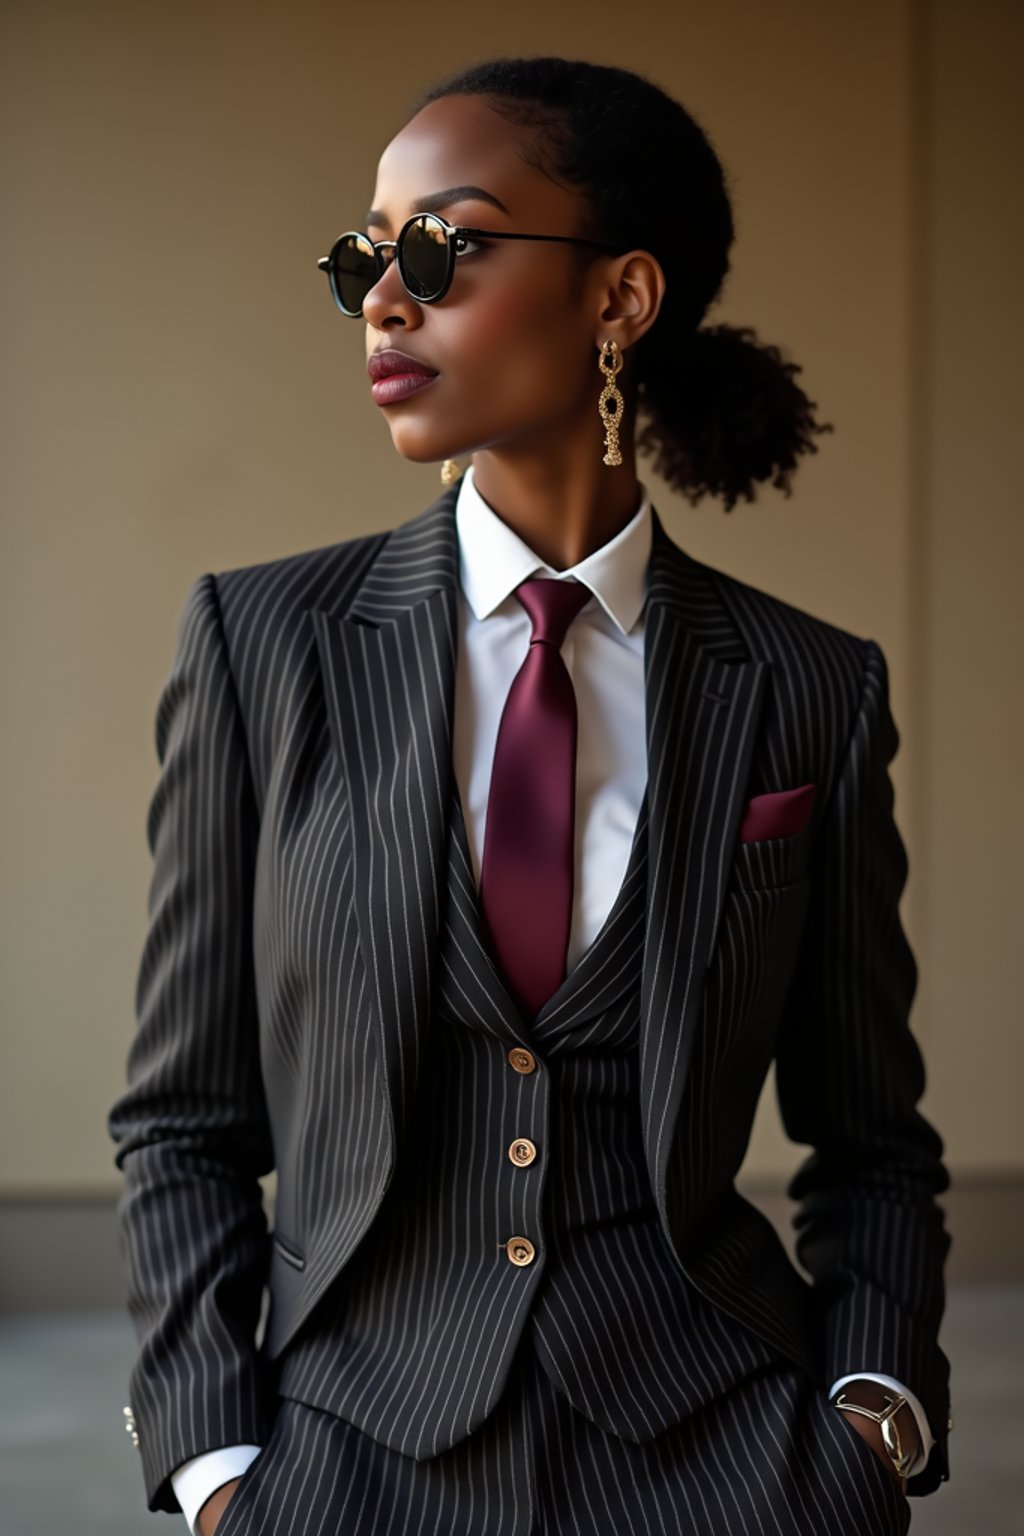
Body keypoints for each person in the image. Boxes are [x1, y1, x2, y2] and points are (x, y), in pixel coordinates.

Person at [108, 54, 952, 1536]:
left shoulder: (810, 687)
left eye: (443, 245)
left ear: (619, 298)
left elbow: (872, 1136)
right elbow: (183, 1117)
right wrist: (218, 1470)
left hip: (729, 1457)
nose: (385, 296)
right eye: (365, 256)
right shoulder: (261, 646)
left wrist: (870, 1417)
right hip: (349, 1461)